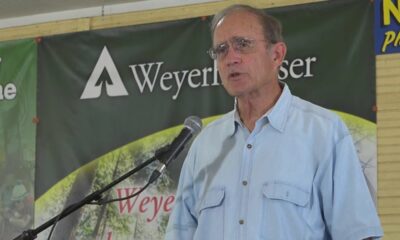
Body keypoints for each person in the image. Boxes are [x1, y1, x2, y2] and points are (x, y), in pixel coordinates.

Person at [165, 4, 383, 240]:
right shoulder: (204, 145)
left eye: (242, 44)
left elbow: (359, 234)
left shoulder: (324, 132)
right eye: (221, 50)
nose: (231, 58)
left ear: (277, 55)